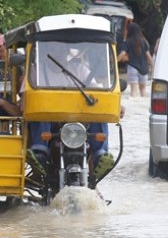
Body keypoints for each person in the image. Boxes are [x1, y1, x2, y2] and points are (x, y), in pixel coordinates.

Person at [26, 41, 114, 179]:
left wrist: (117, 105)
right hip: (51, 123)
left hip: (79, 121)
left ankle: (100, 155)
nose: (57, 51)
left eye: (61, 48)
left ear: (67, 51)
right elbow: (26, 97)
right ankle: (40, 152)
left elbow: (97, 93)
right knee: (40, 110)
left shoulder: (80, 69)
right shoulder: (36, 71)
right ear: (45, 50)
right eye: (53, 47)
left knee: (99, 113)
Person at [118, 22, 154, 97]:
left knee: (134, 90)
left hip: (133, 68)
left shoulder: (127, 42)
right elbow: (149, 56)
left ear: (129, 31)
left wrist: (115, 62)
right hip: (144, 69)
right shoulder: (144, 41)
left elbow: (123, 54)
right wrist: (153, 66)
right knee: (143, 90)